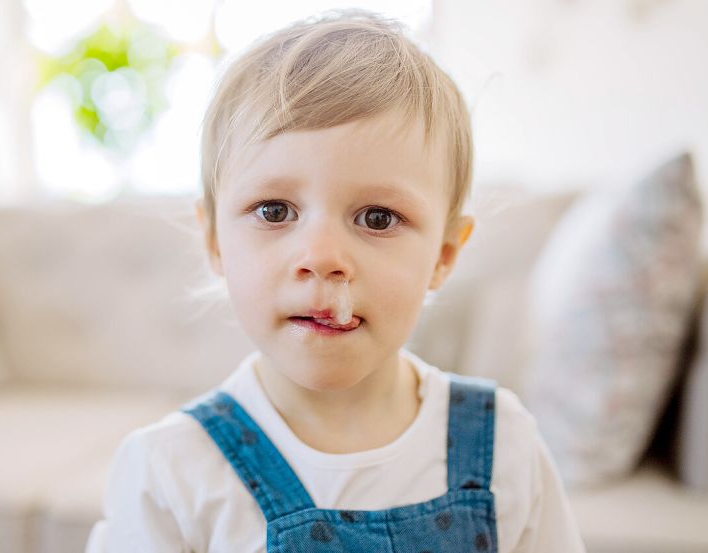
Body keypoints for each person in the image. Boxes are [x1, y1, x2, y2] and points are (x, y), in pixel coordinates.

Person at [86, 8, 586, 552]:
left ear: (443, 256)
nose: (322, 258)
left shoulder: (504, 445)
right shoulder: (170, 473)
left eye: (377, 218)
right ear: (214, 243)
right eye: (274, 211)